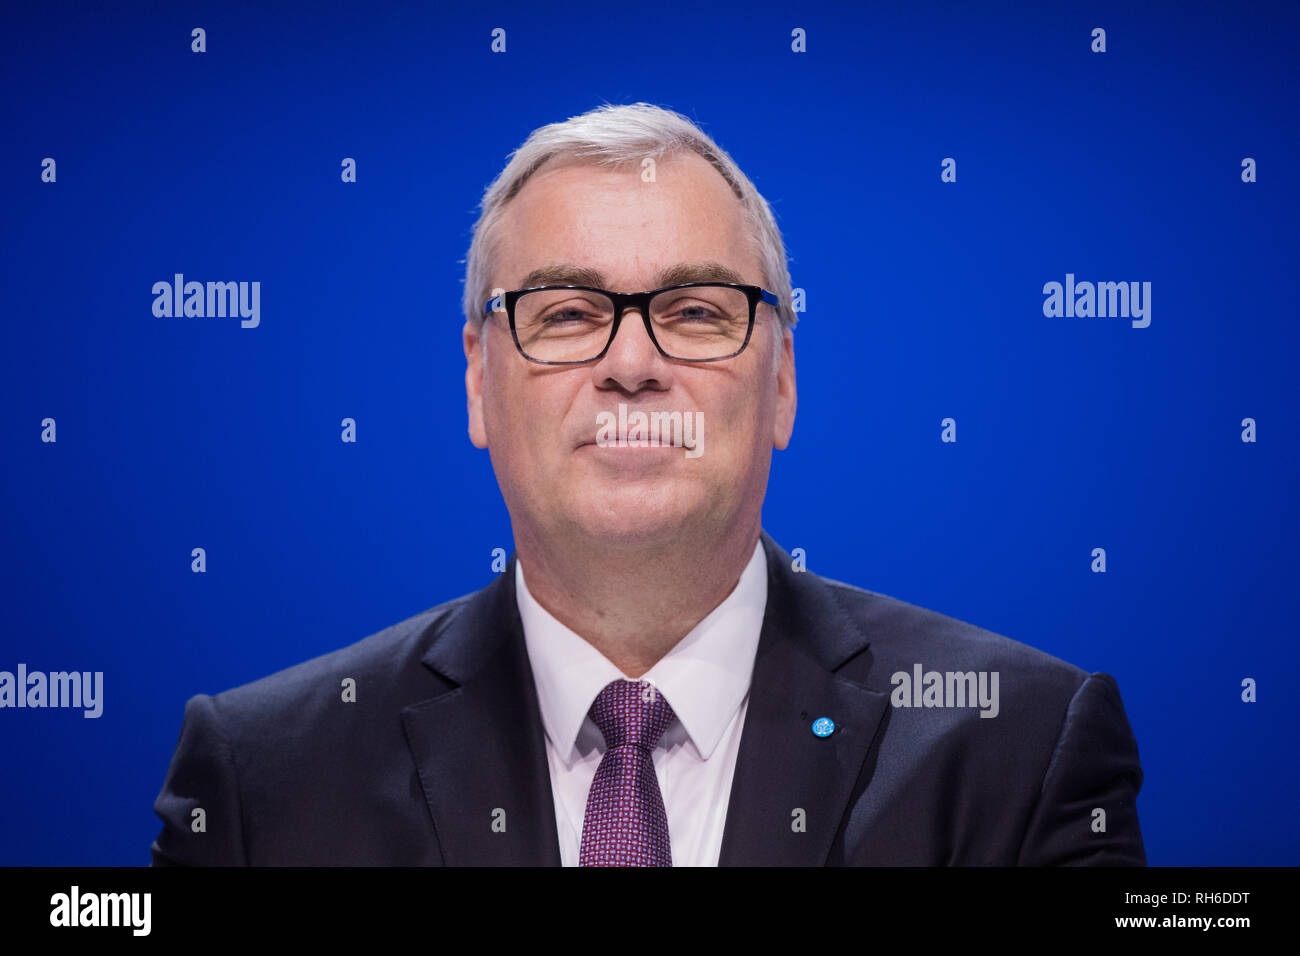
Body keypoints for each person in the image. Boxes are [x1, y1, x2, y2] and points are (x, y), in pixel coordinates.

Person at [151, 102, 1145, 866]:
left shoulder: (1018, 747)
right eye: (566, 311)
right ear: (478, 382)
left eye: (698, 310)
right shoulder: (263, 778)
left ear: (783, 382)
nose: (631, 361)